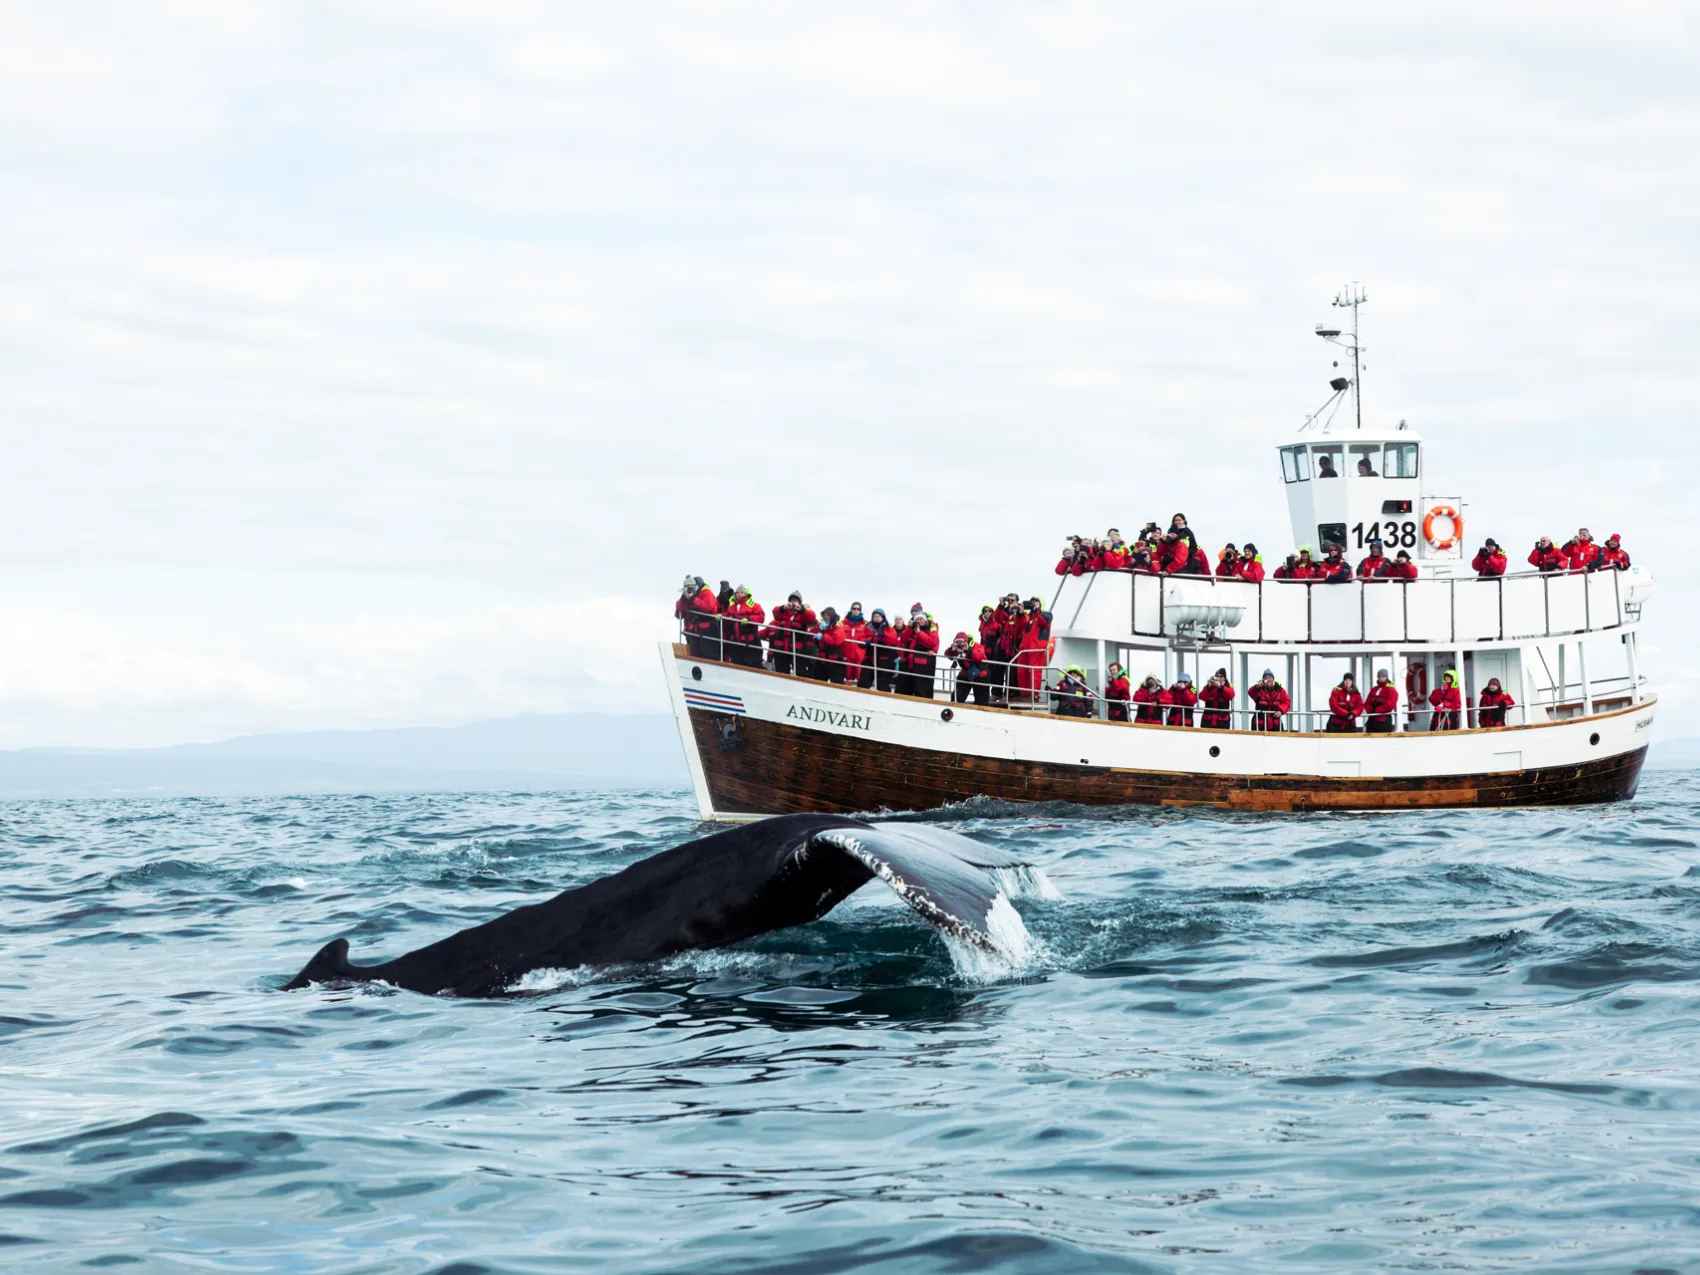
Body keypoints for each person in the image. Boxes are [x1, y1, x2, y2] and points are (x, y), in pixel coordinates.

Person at [1013, 599, 1052, 703]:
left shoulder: (1046, 615)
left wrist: (1037, 611)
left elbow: (1044, 622)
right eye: (1031, 602)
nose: (1032, 604)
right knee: (1022, 672)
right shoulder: (1029, 617)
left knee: (1034, 671)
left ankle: (1034, 695)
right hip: (1025, 648)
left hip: (1036, 648)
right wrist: (1020, 614)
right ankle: (1025, 694)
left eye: (1035, 601)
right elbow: (1019, 626)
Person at [676, 575, 720, 660]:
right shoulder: (687, 597)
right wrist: (683, 599)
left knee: (708, 652)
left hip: (708, 629)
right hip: (694, 631)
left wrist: (693, 599)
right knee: (694, 654)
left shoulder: (706, 593)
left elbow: (708, 606)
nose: (690, 590)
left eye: (691, 588)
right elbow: (678, 614)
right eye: (687, 589)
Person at [992, 594, 1025, 704]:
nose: (1010, 602)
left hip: (1013, 645)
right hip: (1003, 645)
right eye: (1009, 600)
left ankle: (1009, 695)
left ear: (1017, 601)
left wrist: (1018, 612)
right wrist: (1001, 605)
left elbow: (1021, 624)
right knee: (998, 670)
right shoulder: (1006, 611)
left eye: (1013, 600)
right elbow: (996, 618)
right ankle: (996, 693)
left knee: (1011, 672)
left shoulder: (1020, 613)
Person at [901, 604, 940, 699]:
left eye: (921, 619)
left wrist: (919, 633)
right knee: (911, 686)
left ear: (925, 620)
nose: (919, 621)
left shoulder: (931, 627)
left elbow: (932, 642)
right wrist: (909, 628)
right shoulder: (913, 627)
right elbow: (904, 639)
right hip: (913, 662)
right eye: (917, 619)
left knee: (923, 688)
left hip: (925, 663)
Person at [724, 585, 765, 667]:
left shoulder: (753, 604)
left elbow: (761, 617)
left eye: (742, 592)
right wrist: (721, 616)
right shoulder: (732, 606)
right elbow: (727, 615)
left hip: (750, 641)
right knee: (738, 663)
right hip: (736, 642)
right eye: (737, 593)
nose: (739, 594)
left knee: (754, 664)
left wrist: (749, 619)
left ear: (746, 594)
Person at [948, 632, 993, 706]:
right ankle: (956, 709)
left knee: (982, 701)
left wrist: (968, 650)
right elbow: (948, 655)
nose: (960, 644)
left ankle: (981, 715)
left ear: (966, 641)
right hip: (965, 674)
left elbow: (979, 656)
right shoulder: (957, 649)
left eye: (961, 641)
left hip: (981, 675)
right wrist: (951, 650)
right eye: (957, 641)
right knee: (956, 698)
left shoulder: (977, 646)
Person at [866, 608, 903, 691]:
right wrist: (867, 640)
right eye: (875, 616)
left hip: (885, 659)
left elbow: (893, 640)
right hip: (870, 658)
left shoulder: (889, 629)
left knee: (883, 683)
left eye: (879, 616)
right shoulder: (868, 627)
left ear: (883, 617)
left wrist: (884, 635)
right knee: (864, 681)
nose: (877, 618)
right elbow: (861, 637)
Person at [816, 607, 849, 683]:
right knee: (818, 680)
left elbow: (835, 641)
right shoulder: (822, 625)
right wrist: (820, 629)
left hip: (835, 659)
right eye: (824, 615)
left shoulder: (839, 626)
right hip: (823, 658)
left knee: (837, 682)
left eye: (828, 615)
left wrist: (823, 636)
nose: (826, 617)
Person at [842, 604, 870, 687]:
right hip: (847, 654)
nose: (856, 610)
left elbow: (868, 636)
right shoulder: (843, 623)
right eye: (854, 608)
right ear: (851, 610)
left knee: (860, 677)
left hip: (859, 655)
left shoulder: (865, 624)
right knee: (847, 677)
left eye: (858, 609)